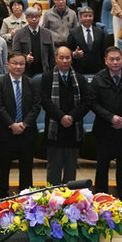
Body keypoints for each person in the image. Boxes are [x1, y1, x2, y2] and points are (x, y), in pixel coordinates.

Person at [89, 46, 122, 201]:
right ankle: (101, 198)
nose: (115, 62)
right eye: (111, 59)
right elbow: (93, 102)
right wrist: (110, 117)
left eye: (117, 59)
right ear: (106, 61)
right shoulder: (98, 79)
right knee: (102, 166)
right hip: (104, 129)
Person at [0, 52, 39, 198]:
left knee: (26, 167)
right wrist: (12, 124)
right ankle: (0, 196)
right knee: (3, 166)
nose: (18, 66)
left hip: (27, 131)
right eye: (15, 63)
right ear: (8, 65)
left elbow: (36, 106)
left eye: (21, 63)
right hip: (6, 131)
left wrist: (24, 124)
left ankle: (26, 197)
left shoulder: (32, 83)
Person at [41, 46, 89, 185]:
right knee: (53, 170)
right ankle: (52, 197)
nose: (65, 61)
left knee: (70, 170)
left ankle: (69, 198)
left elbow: (86, 102)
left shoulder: (79, 78)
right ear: (56, 59)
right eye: (61, 57)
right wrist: (61, 117)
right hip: (54, 128)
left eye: (67, 57)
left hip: (73, 129)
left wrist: (71, 117)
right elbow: (45, 101)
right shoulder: (48, 77)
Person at [11, 6, 54, 76]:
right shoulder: (19, 33)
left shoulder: (47, 33)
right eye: (31, 17)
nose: (34, 19)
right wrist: (25, 58)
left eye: (36, 17)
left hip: (44, 71)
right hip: (26, 72)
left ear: (40, 18)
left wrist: (52, 72)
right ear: (26, 18)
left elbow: (52, 55)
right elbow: (15, 53)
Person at [66, 6, 108, 75]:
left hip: (97, 70)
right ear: (80, 18)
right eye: (85, 16)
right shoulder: (73, 32)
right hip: (79, 70)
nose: (88, 18)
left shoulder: (100, 32)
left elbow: (104, 51)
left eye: (90, 16)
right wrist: (74, 54)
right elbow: (67, 50)